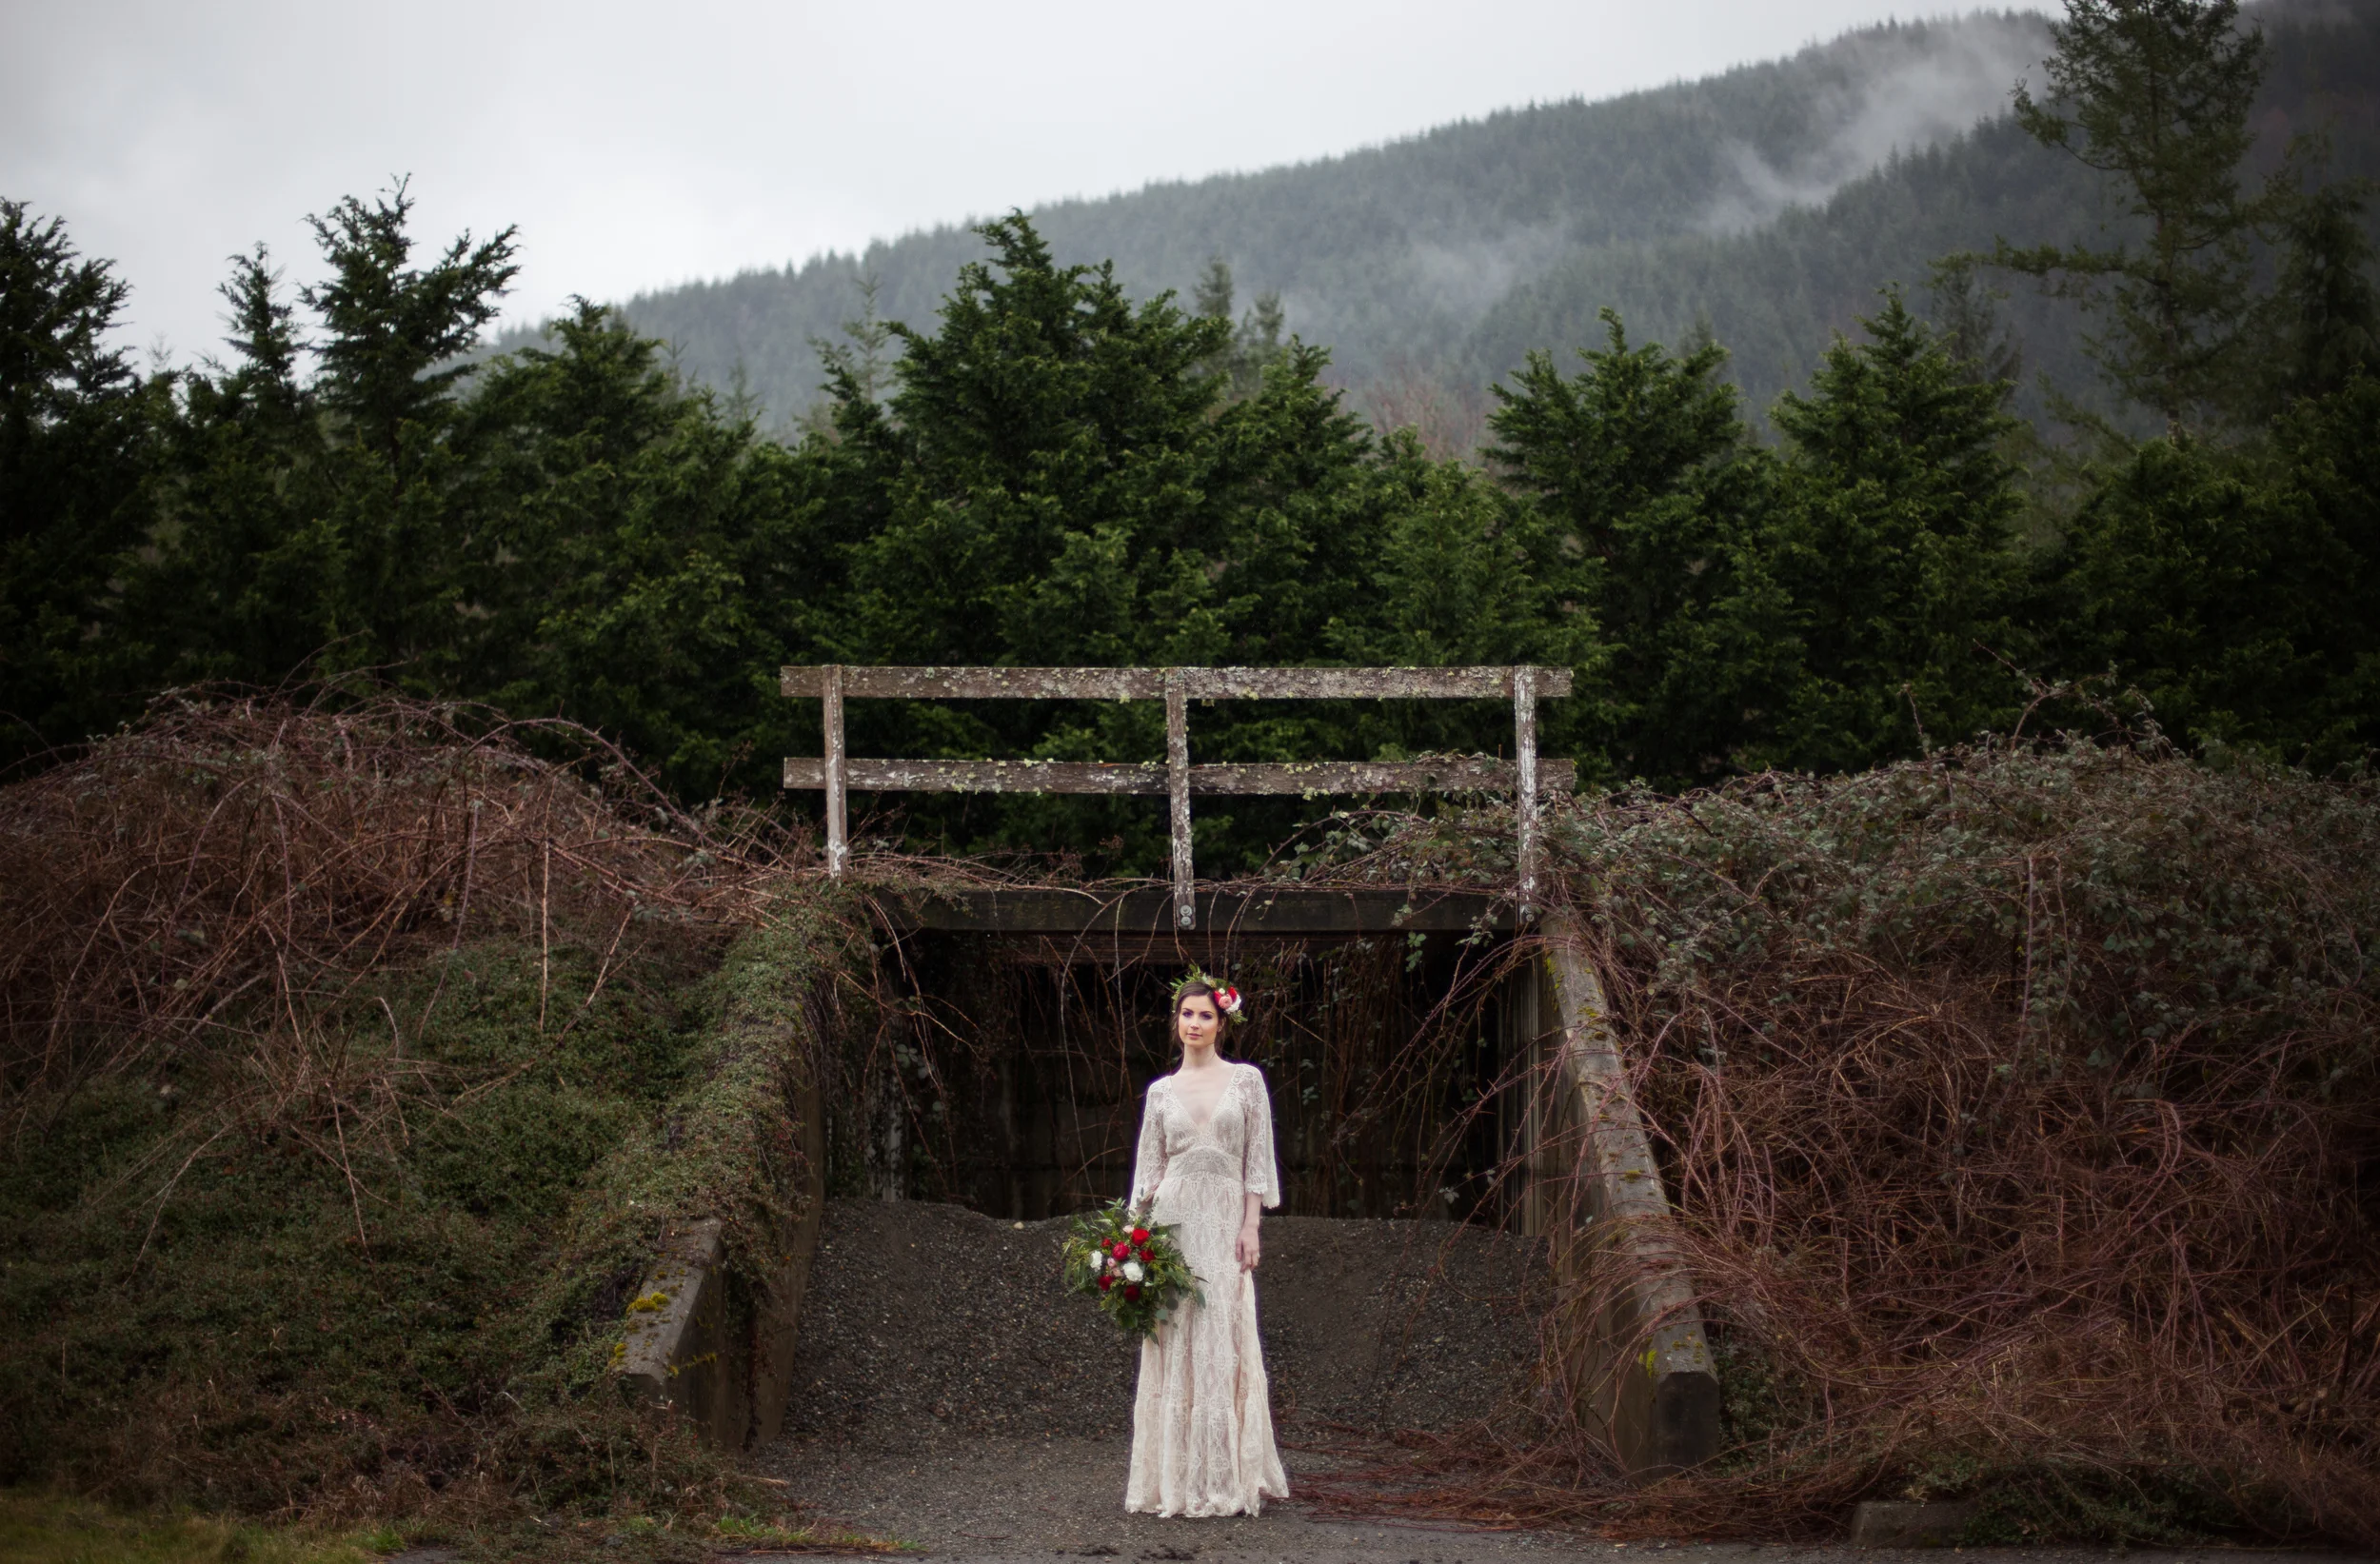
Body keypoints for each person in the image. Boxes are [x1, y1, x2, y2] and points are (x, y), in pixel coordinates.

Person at [1124, 973, 1290, 1517]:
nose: (1194, 1024)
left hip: (1223, 1225)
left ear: (1222, 1023)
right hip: (1172, 1226)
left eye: (1205, 1015)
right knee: (1174, 1335)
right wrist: (1128, 1243)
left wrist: (1251, 1226)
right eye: (1186, 1014)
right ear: (1176, 1021)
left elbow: (1256, 1162)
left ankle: (1223, 1477)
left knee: (1222, 1332)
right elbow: (1148, 1173)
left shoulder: (1246, 1082)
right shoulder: (1160, 1092)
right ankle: (1173, 1481)